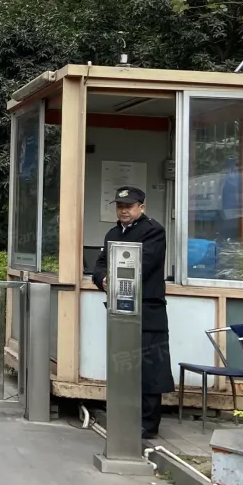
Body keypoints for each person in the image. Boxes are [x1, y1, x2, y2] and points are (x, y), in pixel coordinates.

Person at [92, 186, 174, 439]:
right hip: (120, 309)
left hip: (147, 308)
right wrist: (103, 279)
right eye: (120, 206)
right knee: (124, 364)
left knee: (149, 366)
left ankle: (148, 424)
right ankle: (123, 416)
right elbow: (100, 265)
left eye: (129, 206)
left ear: (141, 207)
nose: (124, 211)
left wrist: (114, 278)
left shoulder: (153, 231)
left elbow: (143, 264)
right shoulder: (113, 233)